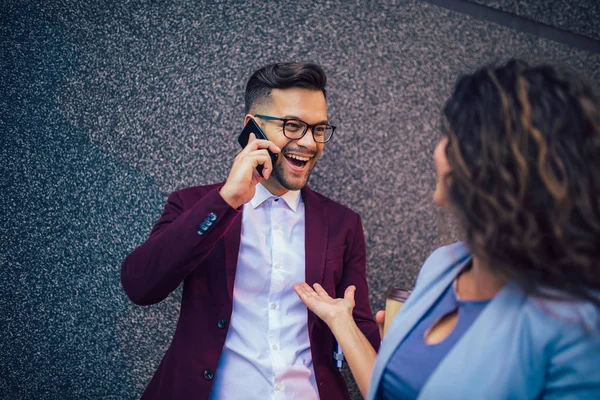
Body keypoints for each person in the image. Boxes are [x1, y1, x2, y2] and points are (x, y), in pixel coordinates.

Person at [294, 59, 600, 399]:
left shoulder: (579, 326)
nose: (437, 151)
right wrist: (341, 322)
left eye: (449, 137)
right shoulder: (442, 265)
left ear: (488, 163)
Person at [121, 62, 380, 400]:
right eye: (293, 125)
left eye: (318, 129)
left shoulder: (343, 223)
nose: (310, 142)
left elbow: (359, 324)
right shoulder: (193, 204)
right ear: (252, 127)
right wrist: (227, 199)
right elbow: (140, 285)